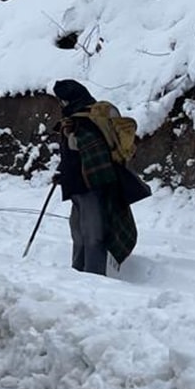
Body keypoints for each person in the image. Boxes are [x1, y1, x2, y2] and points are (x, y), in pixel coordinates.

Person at [53, 79, 136, 275]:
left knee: (92, 233)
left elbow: (89, 152)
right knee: (78, 231)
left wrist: (70, 137)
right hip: (81, 185)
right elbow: (75, 156)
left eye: (61, 100)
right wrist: (62, 173)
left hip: (92, 185)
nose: (61, 104)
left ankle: (93, 276)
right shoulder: (76, 119)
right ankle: (77, 273)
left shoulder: (85, 120)